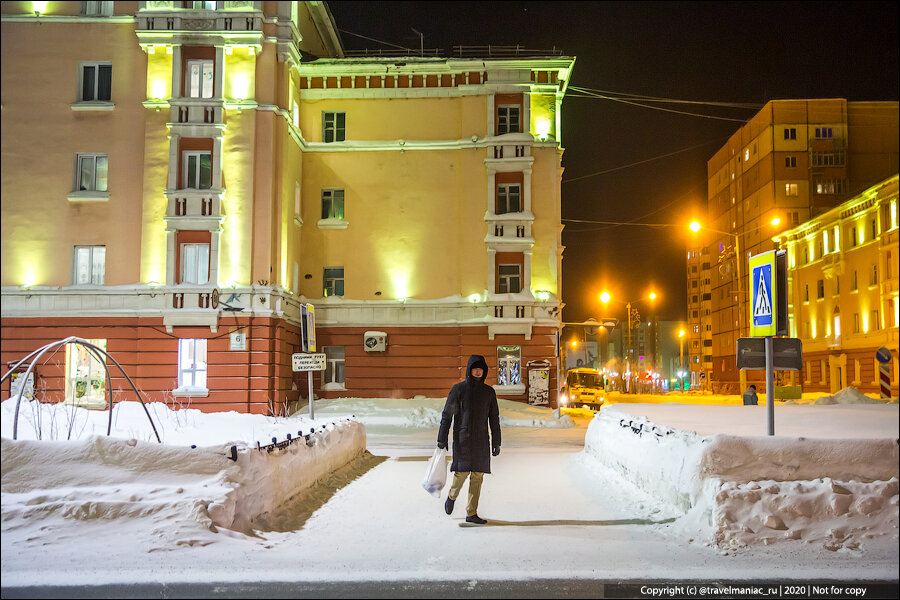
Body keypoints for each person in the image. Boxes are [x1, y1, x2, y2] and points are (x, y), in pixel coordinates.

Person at [437, 354, 501, 525]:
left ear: (484, 371)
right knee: (462, 473)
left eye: (481, 369)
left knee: (478, 475)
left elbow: (494, 418)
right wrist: (441, 439)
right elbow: (447, 415)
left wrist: (496, 441)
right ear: (469, 370)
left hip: (481, 440)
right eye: (475, 368)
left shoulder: (489, 392)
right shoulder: (458, 390)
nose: (478, 371)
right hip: (463, 438)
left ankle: (471, 512)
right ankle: (452, 496)